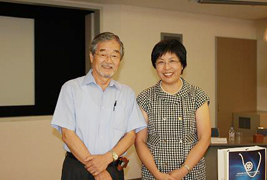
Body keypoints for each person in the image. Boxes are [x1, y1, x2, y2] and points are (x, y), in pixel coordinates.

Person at [51, 32, 146, 180]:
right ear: (91, 56)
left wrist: (107, 158)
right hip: (77, 169)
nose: (109, 60)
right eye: (103, 54)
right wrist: (98, 170)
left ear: (120, 60)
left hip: (113, 169)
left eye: (114, 56)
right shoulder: (71, 88)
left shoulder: (127, 93)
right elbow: (67, 134)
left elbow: (131, 135)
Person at [135, 39, 211, 180]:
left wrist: (183, 170)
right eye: (161, 62)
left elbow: (204, 138)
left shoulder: (197, 95)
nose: (167, 67)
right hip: (154, 174)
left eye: (172, 61)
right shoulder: (145, 97)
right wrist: (157, 174)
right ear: (155, 66)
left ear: (182, 65)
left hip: (191, 173)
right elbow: (140, 141)